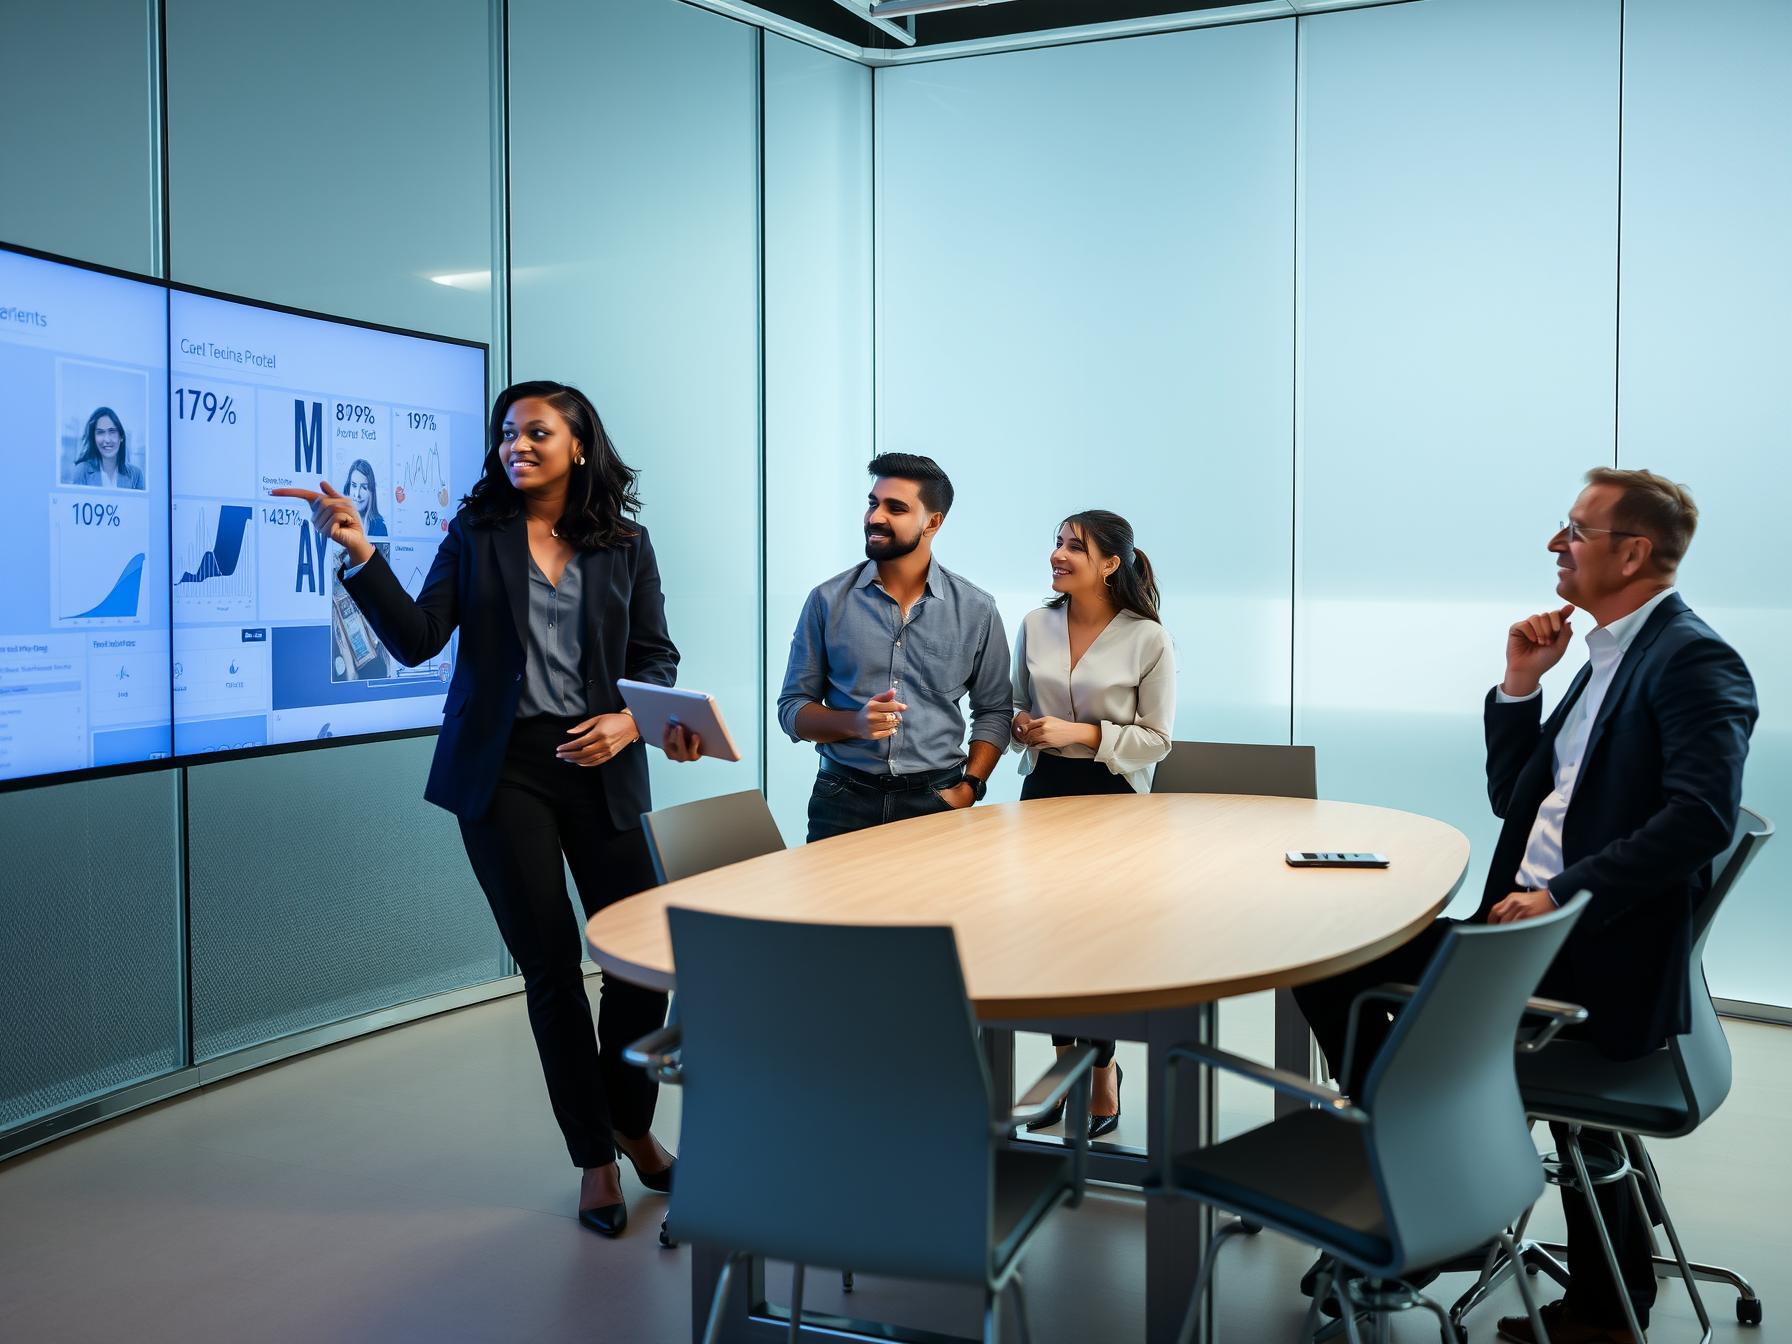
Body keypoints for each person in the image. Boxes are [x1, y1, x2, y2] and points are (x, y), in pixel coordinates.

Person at [1292, 468, 1757, 1344]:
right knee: (1356, 969)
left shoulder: (1691, 658)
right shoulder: (1609, 657)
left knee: (1340, 970)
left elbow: (1700, 817)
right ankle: (1448, 1192)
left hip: (1580, 950)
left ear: (1633, 551)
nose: (1556, 545)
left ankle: (1435, 1202)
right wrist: (1519, 684)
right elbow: (1520, 798)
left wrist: (1558, 893)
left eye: (1574, 531)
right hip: (1543, 928)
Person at [274, 380, 703, 1240]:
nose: (518, 445)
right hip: (504, 772)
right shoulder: (476, 533)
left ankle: (630, 1124)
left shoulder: (627, 544)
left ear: (579, 444)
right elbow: (418, 638)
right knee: (549, 968)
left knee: (640, 963)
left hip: (602, 767)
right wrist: (362, 555)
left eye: (538, 432)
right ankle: (594, 1160)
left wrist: (629, 722)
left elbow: (654, 655)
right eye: (507, 433)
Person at [1011, 510, 1174, 1138]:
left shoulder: (1147, 638)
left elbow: (1158, 739)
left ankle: (1103, 1075)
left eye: (1074, 546)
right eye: (1056, 542)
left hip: (1114, 799)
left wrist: (1079, 731)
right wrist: (1027, 726)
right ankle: (1065, 1071)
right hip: (1045, 790)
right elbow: (1012, 702)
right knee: (1051, 942)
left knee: (1101, 948)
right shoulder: (1033, 624)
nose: (1058, 554)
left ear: (1110, 564)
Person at [777, 453, 1011, 841]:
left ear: (932, 522)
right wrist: (853, 723)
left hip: (938, 803)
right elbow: (792, 708)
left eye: (895, 508)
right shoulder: (826, 600)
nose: (875, 517)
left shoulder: (977, 609)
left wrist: (972, 785)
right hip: (841, 801)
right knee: (832, 905)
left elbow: (994, 710)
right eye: (873, 503)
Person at [69, 407, 144, 489]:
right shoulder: (82, 471)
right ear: (93, 438)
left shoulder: (136, 474)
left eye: (112, 431)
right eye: (100, 432)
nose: (107, 439)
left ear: (121, 437)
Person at [343, 458, 389, 537]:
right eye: (354, 486)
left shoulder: (380, 528)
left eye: (364, 487)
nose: (357, 494)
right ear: (348, 487)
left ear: (371, 491)